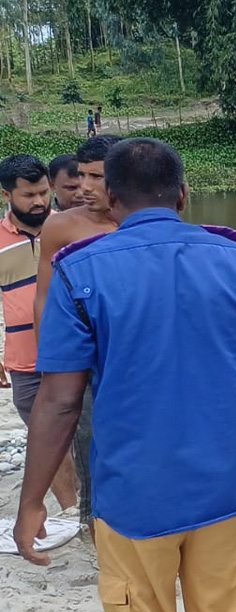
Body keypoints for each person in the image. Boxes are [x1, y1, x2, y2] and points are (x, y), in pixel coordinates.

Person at [14, 137, 236, 612]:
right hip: (227, 486)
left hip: (134, 494)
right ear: (183, 194)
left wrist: (33, 499)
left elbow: (60, 401)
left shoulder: (79, 271)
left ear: (111, 198)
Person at [34, 134, 123, 530]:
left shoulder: (139, 222)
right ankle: (94, 519)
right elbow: (44, 297)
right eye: (81, 175)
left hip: (133, 351)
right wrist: (49, 361)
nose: (84, 187)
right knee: (88, 434)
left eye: (96, 177)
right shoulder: (61, 226)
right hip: (84, 353)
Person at [0, 154, 78, 510]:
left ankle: (96, 510)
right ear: (6, 195)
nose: (39, 201)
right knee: (46, 440)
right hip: (25, 361)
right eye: (29, 195)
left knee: (89, 434)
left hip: (77, 354)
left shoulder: (70, 230)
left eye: (44, 192)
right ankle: (72, 511)